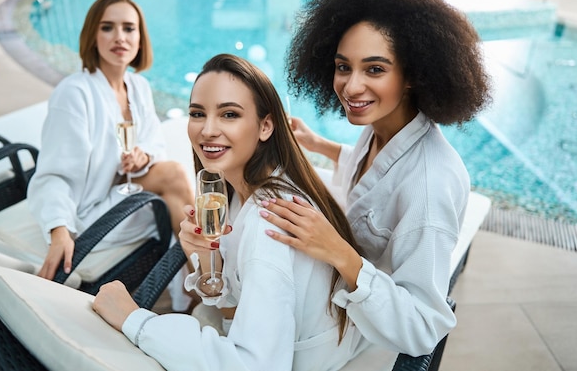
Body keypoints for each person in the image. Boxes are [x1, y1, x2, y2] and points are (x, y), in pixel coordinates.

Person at [258, 0, 492, 362]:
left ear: (414, 76)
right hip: (329, 301)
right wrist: (320, 145)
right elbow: (374, 174)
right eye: (343, 66)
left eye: (375, 69)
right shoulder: (381, 128)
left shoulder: (429, 187)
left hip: (358, 334)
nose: (350, 87)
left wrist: (339, 252)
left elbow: (423, 330)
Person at [93, 54, 370, 371]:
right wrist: (212, 263)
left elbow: (256, 365)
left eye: (229, 114)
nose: (207, 130)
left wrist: (135, 321)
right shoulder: (240, 192)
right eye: (198, 113)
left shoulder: (269, 224)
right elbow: (235, 313)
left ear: (266, 126)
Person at [27, 0, 194, 291]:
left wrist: (144, 157)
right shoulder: (74, 93)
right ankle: (206, 280)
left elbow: (154, 144)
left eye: (129, 28)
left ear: (140, 38)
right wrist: (58, 229)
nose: (120, 37)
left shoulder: (138, 86)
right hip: (88, 212)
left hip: (126, 193)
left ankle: (199, 278)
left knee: (177, 182)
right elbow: (53, 174)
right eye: (107, 27)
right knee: (178, 180)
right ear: (92, 35)